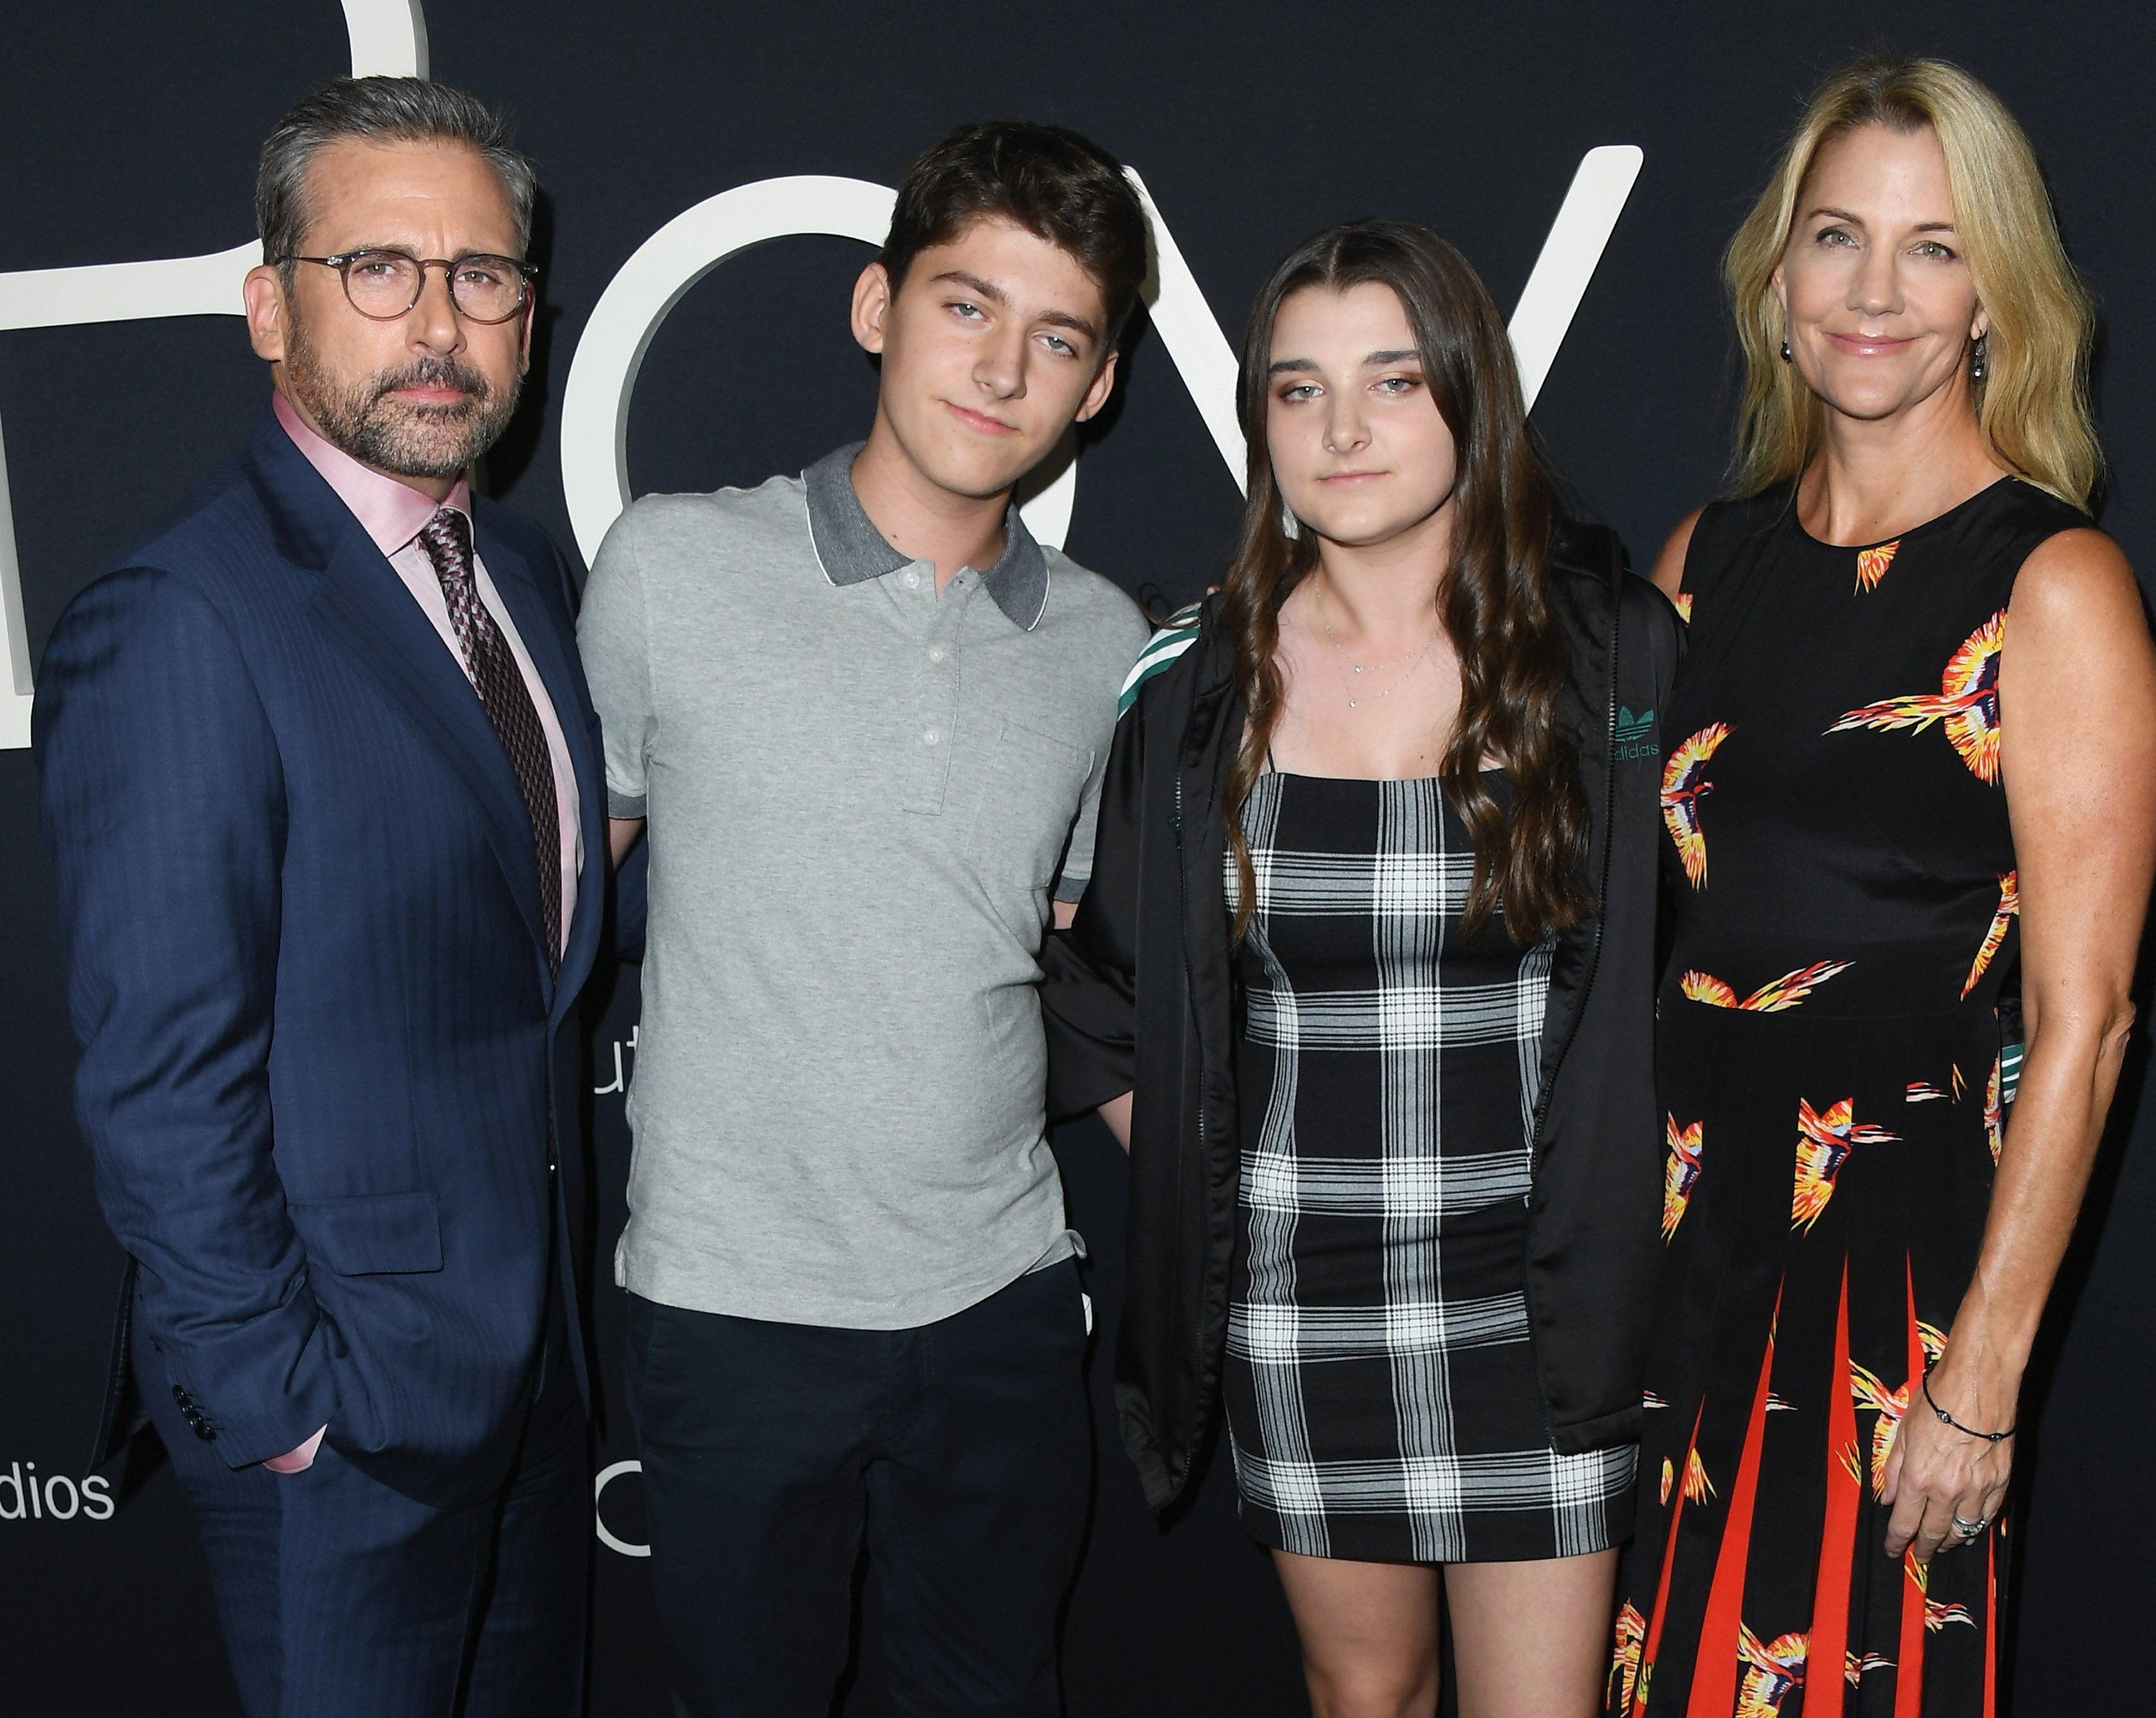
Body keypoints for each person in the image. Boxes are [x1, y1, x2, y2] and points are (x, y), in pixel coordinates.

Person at [1042, 221, 1682, 1718]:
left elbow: (1702, 972)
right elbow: (1100, 997)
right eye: (1296, 388)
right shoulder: (1199, 682)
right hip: (1302, 1305)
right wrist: (1226, 1181)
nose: (1340, 429)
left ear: (1470, 393)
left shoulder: (1614, 656)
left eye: (1393, 381)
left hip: (1547, 1305)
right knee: (1365, 1699)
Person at [35, 77, 602, 1717]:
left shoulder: (522, 577)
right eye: (381, 270)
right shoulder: (180, 616)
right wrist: (277, 1403)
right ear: (272, 303)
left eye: (483, 277)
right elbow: (162, 1073)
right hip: (337, 1424)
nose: (440, 323)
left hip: (533, 1378)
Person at [576, 121, 1151, 1714]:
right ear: (875, 307)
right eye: (967, 305)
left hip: (1002, 1300)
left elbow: (1067, 961)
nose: (1003, 367)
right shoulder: (670, 568)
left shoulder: (1104, 642)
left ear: (1097, 384)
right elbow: (559, 913)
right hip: (731, 1302)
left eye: (1059, 337)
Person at [1606, 56, 2156, 1717]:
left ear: (1995, 293)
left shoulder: (2053, 584)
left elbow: (2089, 1017)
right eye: (1837, 236)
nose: (1874, 291)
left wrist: (1984, 1374)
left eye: (1932, 247)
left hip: (1889, 1295)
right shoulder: (1706, 559)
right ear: (1778, 281)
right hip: (1669, 1251)